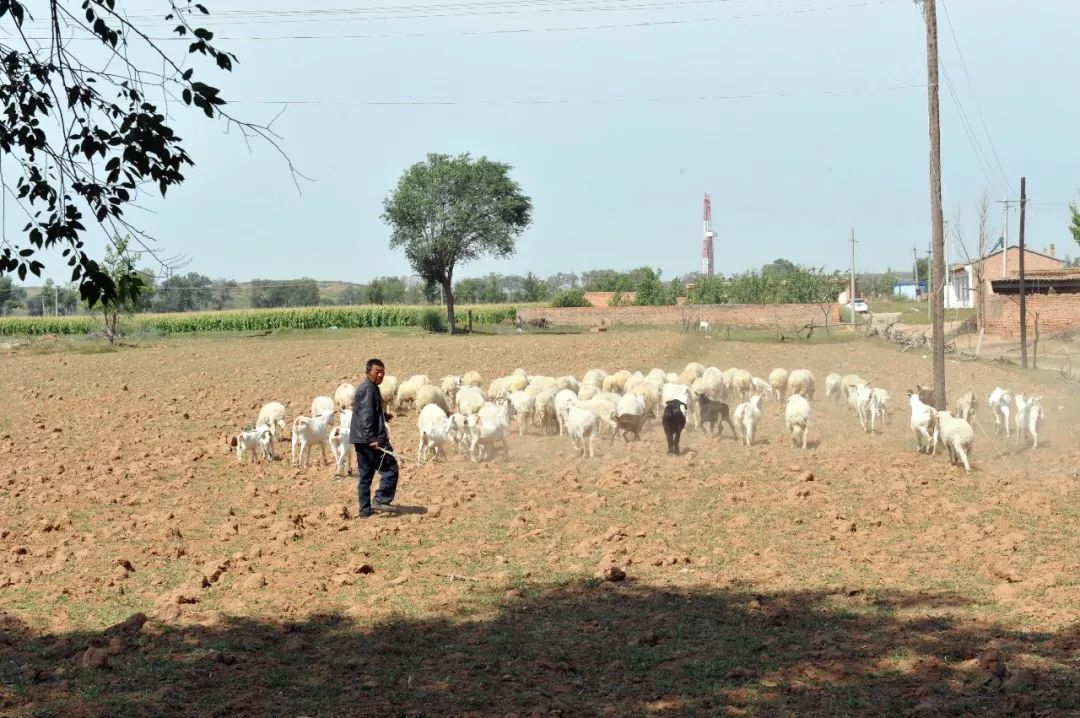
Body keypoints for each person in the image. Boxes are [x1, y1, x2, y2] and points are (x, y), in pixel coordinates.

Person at [351, 358, 399, 518]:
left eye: (383, 372)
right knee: (390, 468)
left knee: (366, 475)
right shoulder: (369, 389)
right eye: (377, 372)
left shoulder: (370, 388)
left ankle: (364, 511)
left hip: (361, 439)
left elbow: (368, 411)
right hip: (370, 440)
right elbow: (365, 417)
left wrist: (383, 415)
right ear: (368, 372)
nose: (380, 375)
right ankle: (381, 499)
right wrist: (372, 438)